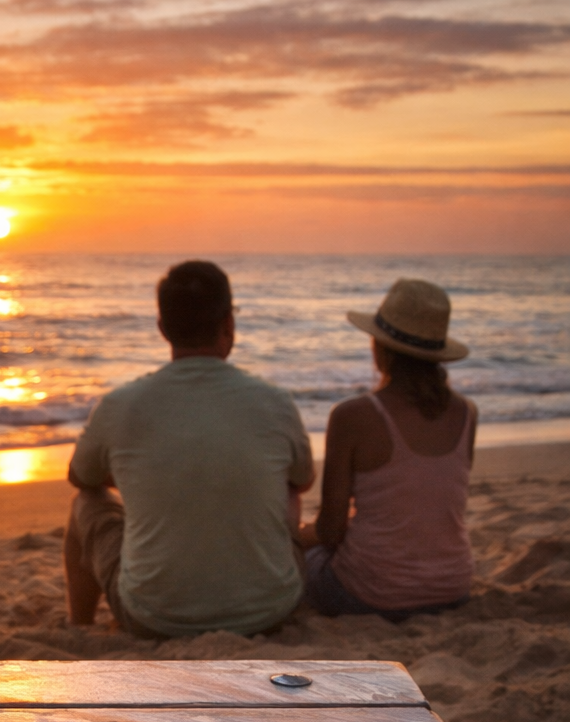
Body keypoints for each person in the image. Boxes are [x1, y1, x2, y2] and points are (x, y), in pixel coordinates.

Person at [64, 260, 314, 639]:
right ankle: (258, 582)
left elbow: (82, 477)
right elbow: (304, 478)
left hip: (153, 618)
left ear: (162, 328)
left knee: (86, 502)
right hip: (269, 612)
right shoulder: (275, 402)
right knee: (288, 488)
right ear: (229, 324)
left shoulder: (121, 405)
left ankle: (79, 624)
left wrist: (149, 474)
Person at [302, 278, 476, 619]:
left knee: (301, 558)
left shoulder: (353, 416)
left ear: (380, 348)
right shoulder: (466, 413)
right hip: (453, 587)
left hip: (373, 594)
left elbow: (331, 530)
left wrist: (296, 534)